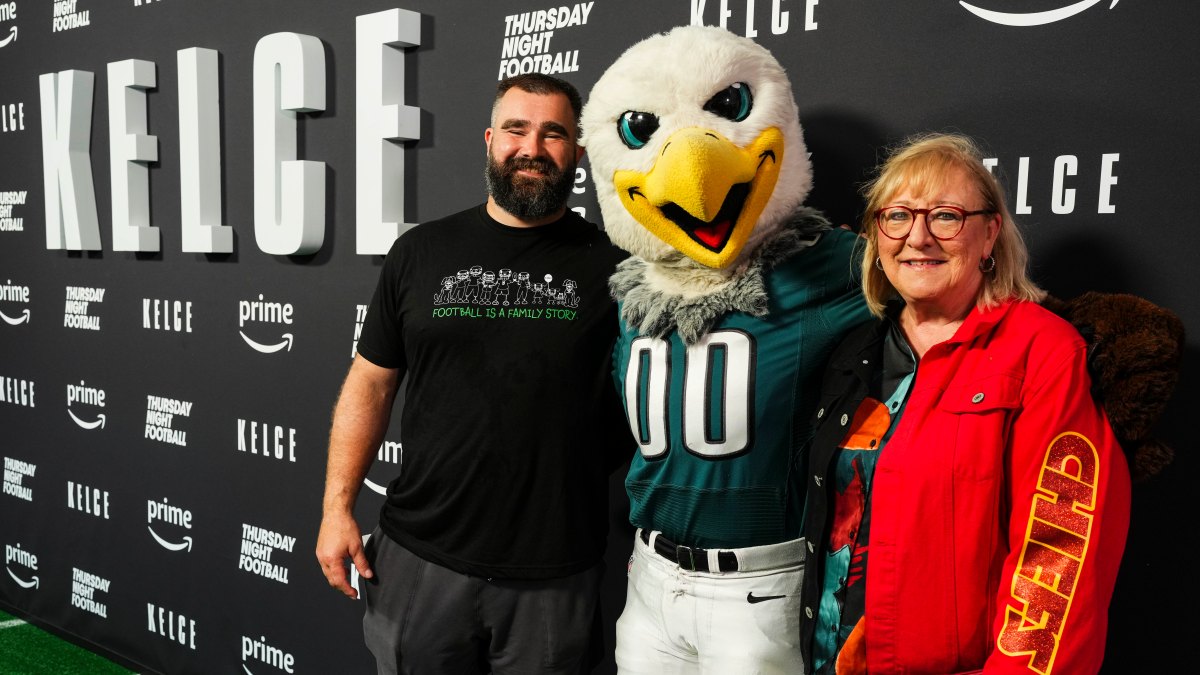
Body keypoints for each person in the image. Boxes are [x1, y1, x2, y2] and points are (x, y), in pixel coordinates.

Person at [315, 72, 629, 675]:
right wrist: (336, 509)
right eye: (516, 129)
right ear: (490, 139)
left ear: (578, 152)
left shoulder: (616, 268)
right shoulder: (420, 252)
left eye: (553, 133)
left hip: (554, 570)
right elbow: (371, 383)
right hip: (419, 557)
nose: (532, 148)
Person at [798, 132, 1132, 674]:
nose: (918, 237)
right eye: (898, 216)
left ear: (990, 234)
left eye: (946, 217)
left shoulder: (1040, 351)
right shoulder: (853, 351)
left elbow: (1061, 552)